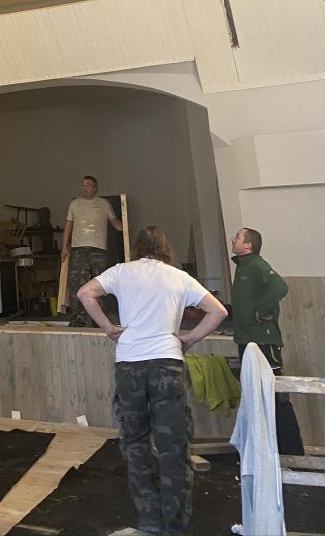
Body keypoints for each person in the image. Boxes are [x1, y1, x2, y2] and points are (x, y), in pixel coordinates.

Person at [79, 226, 227, 536]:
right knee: (174, 447)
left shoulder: (121, 271)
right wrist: (189, 339)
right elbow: (218, 311)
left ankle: (150, 520)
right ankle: (176, 527)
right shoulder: (178, 276)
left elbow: (84, 293)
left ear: (137, 247)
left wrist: (108, 327)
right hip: (166, 363)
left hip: (129, 364)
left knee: (135, 443)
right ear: (165, 248)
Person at [231, 226, 304, 455]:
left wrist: (261, 310)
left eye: (238, 237)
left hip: (263, 341)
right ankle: (267, 452)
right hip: (247, 339)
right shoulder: (243, 267)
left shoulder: (256, 265)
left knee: (276, 395)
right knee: (255, 397)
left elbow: (279, 286)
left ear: (248, 245)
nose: (233, 239)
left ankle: (292, 451)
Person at [61, 175, 123, 325]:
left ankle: (99, 321)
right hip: (79, 249)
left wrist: (125, 226)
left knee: (100, 284)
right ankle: (78, 319)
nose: (84, 188)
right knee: (77, 284)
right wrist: (64, 247)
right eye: (83, 185)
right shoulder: (75, 204)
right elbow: (68, 225)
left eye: (88, 185)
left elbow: (115, 223)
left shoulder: (104, 204)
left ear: (95, 188)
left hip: (99, 250)